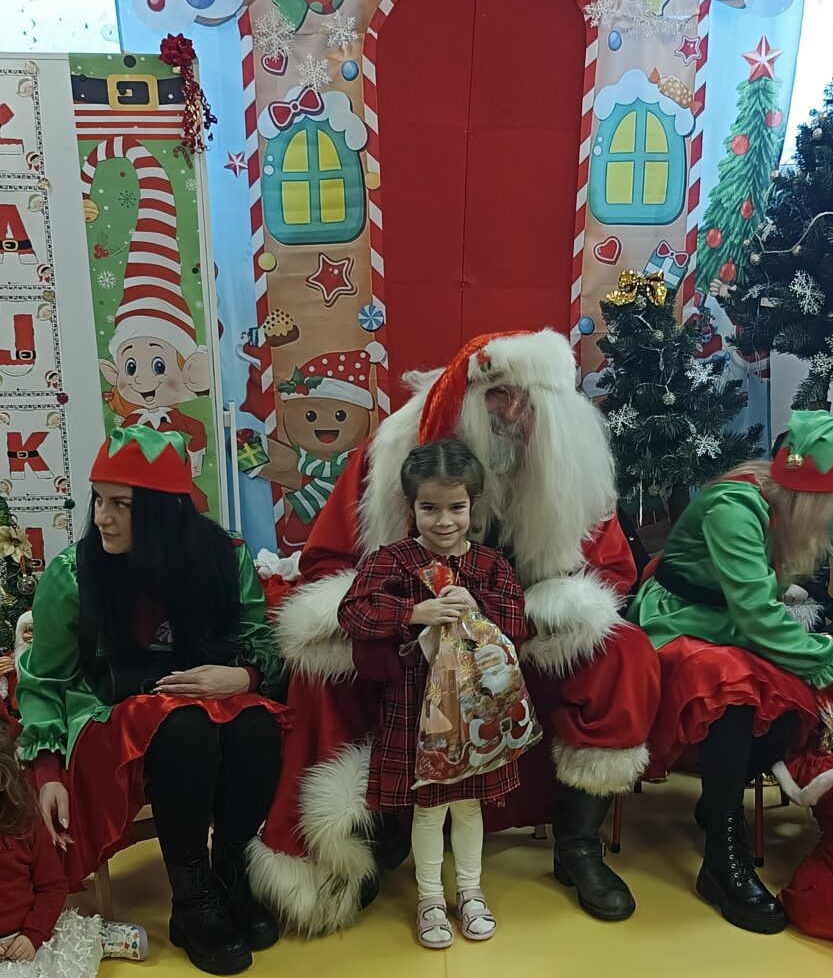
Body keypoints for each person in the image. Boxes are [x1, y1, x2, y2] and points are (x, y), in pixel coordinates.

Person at [251, 330, 661, 936]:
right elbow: (330, 565)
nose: (512, 421)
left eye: (526, 409)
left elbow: (609, 574)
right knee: (323, 674)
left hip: (519, 633)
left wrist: (507, 621)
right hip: (411, 639)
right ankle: (363, 838)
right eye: (498, 405)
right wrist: (404, 618)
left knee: (626, 655)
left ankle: (578, 843)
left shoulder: (569, 473)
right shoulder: (394, 457)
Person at [629, 409, 833, 935]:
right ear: (810, 495)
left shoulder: (813, 509)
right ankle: (723, 857)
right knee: (734, 690)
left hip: (744, 627)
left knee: (792, 706)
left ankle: (719, 805)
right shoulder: (733, 508)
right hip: (680, 620)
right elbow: (758, 616)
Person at [16, 425, 288, 977]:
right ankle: (191, 902)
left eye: (121, 504)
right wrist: (46, 770)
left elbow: (260, 641)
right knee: (184, 727)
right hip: (108, 712)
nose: (101, 518)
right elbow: (43, 682)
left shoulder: (223, 557)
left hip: (201, 694)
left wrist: (243, 677)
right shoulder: (75, 576)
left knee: (256, 727)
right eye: (99, 500)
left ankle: (229, 877)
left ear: (166, 512)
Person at [339, 439, 529, 948]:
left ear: (473, 505)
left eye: (456, 508)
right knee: (427, 808)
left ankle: (470, 891)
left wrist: (478, 606)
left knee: (468, 805)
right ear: (411, 506)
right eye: (429, 508)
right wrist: (412, 613)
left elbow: (518, 624)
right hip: (415, 705)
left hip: (477, 710)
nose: (444, 521)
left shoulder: (490, 564)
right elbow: (353, 612)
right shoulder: (393, 560)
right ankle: (429, 898)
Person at [0, 723, 145, 978]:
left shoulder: (24, 822)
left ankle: (97, 938)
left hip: (30, 937)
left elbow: (52, 885)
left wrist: (32, 935)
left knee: (62, 963)